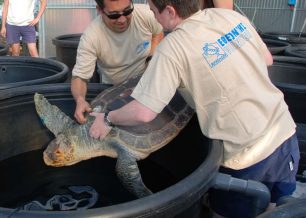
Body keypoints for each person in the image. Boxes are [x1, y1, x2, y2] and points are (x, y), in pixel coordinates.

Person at [88, 0, 300, 217]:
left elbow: (144, 112)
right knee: (276, 209)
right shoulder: (230, 17)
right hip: (284, 131)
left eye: (153, 11)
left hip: (247, 155)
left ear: (170, 11)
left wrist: (107, 117)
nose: (152, 16)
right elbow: (267, 59)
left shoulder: (172, 47)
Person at [71, 0, 164, 124]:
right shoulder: (91, 37)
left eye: (127, 11)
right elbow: (80, 77)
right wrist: (80, 100)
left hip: (147, 82)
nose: (122, 20)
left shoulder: (146, 14)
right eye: (114, 15)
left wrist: (151, 59)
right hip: (116, 91)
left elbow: (158, 32)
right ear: (99, 10)